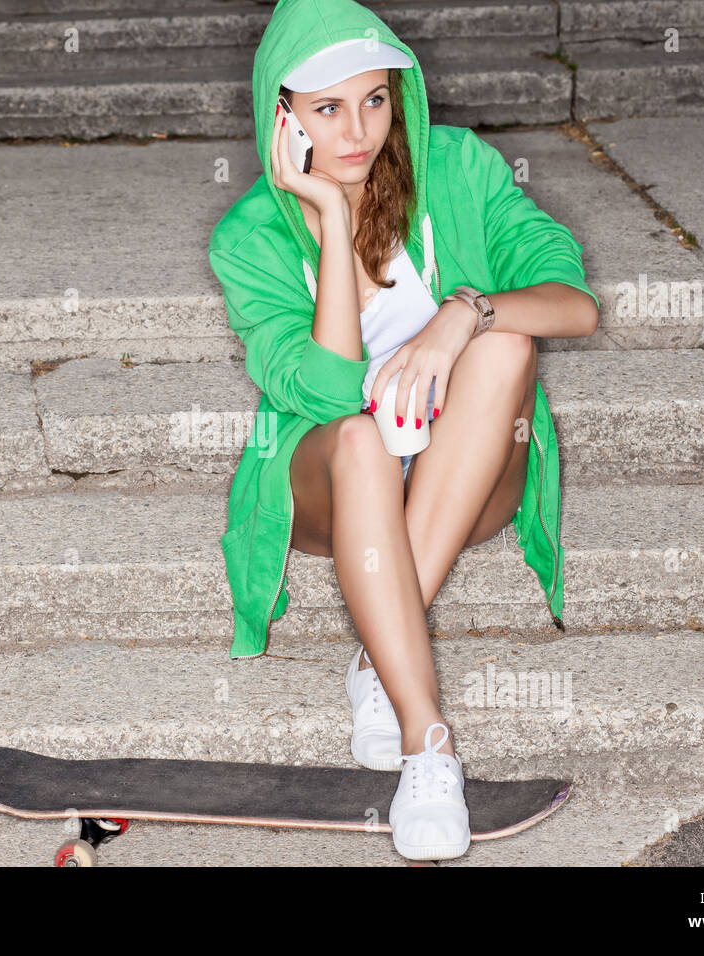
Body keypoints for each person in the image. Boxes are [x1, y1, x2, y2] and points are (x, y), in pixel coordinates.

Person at [208, 0, 599, 861]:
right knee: (358, 437)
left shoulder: (456, 169)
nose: (358, 132)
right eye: (327, 109)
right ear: (282, 117)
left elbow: (573, 302)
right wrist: (335, 221)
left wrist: (464, 314)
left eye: (376, 101)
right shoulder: (249, 240)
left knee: (504, 349)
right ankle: (429, 746)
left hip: (468, 477)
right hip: (336, 487)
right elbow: (331, 388)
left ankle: (383, 650)